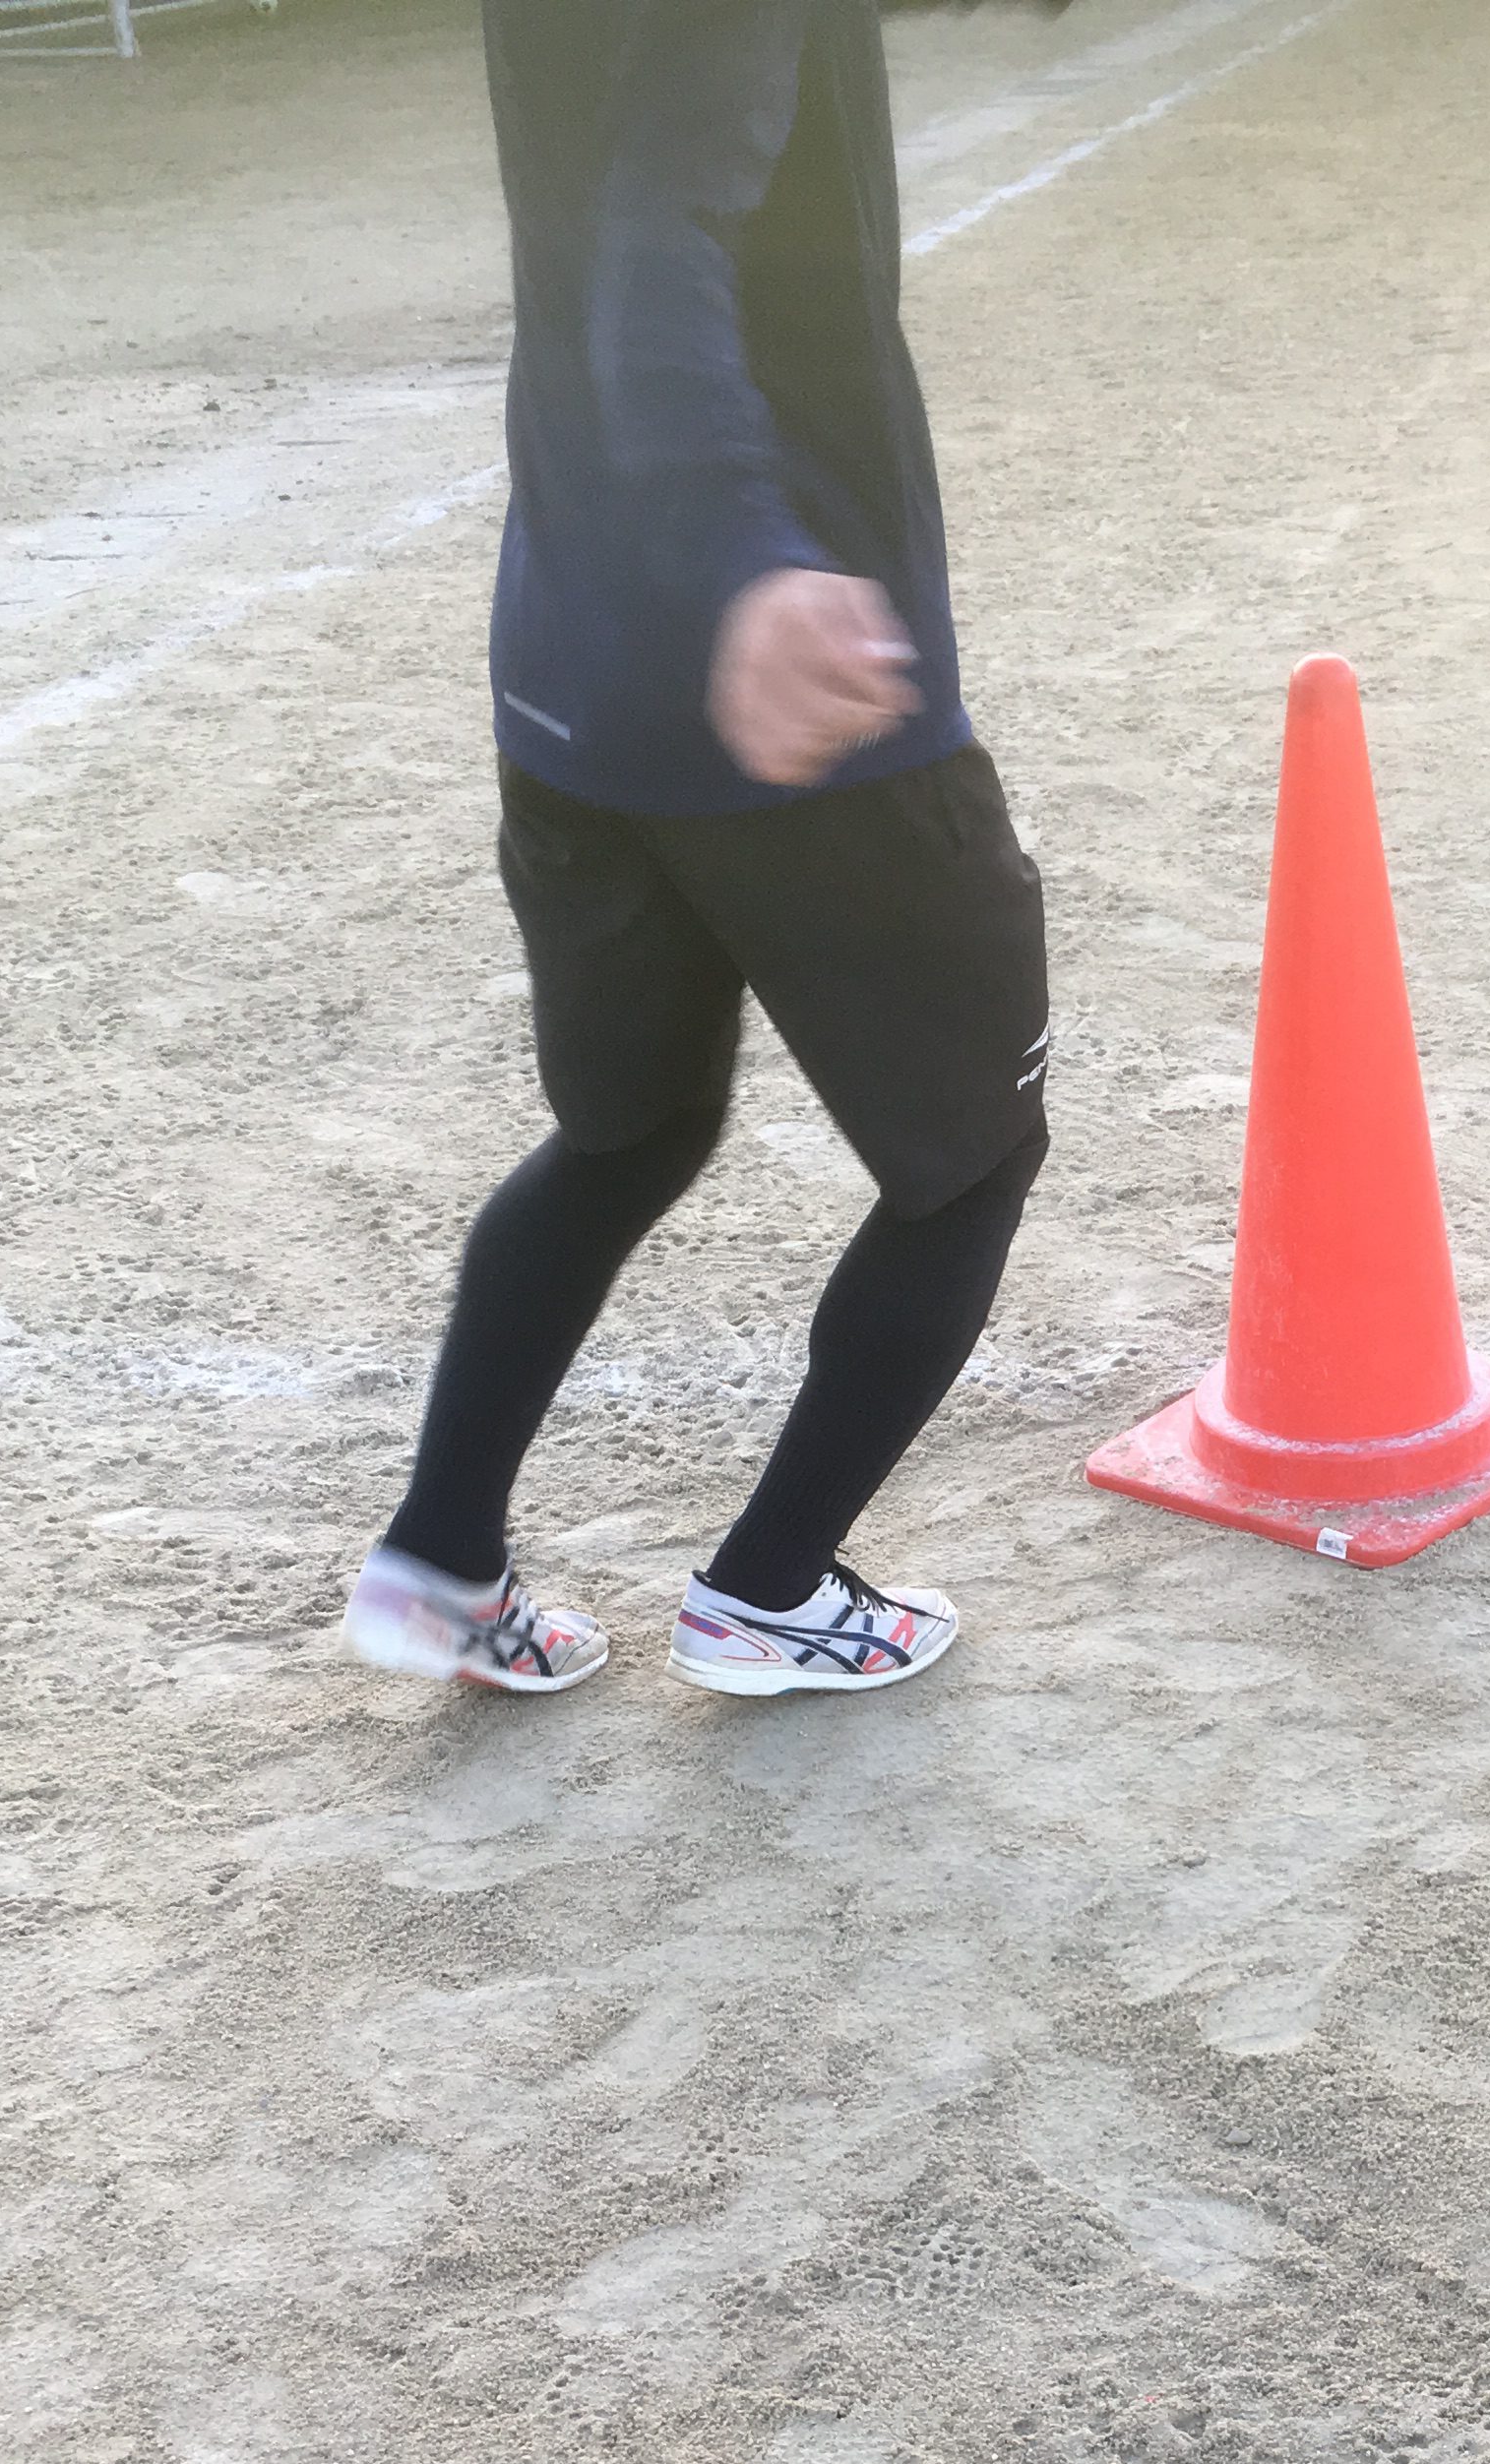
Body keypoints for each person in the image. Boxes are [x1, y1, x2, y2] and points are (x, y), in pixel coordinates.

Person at [342, 0, 1049, 1701]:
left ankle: (439, 1564)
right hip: (787, 671)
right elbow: (655, 244)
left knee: (628, 1130)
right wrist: (750, 558)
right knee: (971, 1159)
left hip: (573, 675)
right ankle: (770, 1589)